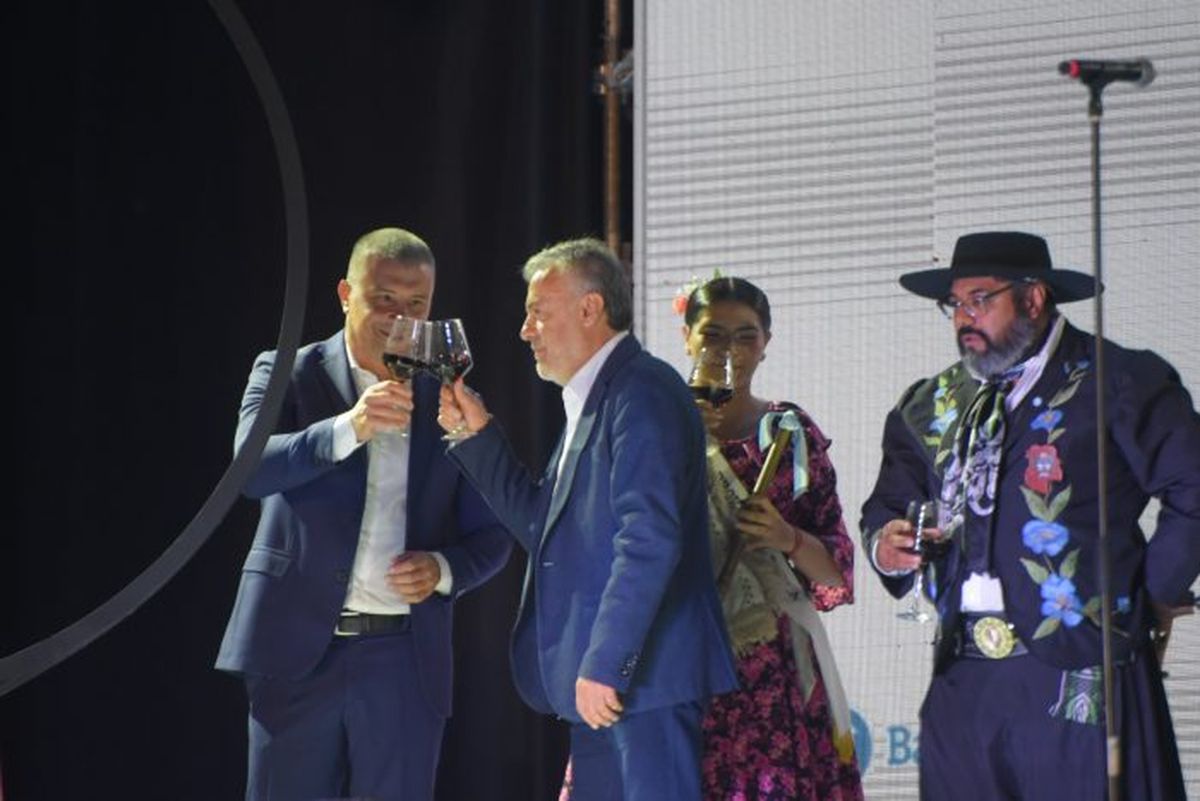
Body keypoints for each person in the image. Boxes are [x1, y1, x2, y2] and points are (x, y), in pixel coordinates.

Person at [860, 231, 1200, 801]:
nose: (963, 318)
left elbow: (1193, 485)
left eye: (980, 300)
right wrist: (885, 545)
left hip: (1078, 665)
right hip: (965, 673)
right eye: (955, 304)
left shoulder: (1115, 380)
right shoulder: (930, 403)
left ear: (1034, 299)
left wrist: (1149, 594)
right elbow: (888, 504)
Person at [437, 237, 739, 801]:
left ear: (589, 308)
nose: (526, 330)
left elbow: (648, 539)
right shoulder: (599, 396)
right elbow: (544, 529)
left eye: (537, 311)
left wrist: (605, 662)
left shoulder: (641, 391)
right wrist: (477, 439)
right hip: (611, 684)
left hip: (639, 679)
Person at [215, 227, 512, 801]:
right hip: (297, 652)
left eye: (416, 305)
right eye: (383, 299)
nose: (399, 318)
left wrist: (443, 570)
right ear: (346, 294)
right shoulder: (287, 372)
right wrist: (350, 425)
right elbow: (249, 471)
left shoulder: (447, 396)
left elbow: (494, 533)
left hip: (402, 659)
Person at [679, 277, 864, 801]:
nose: (729, 351)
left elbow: (836, 573)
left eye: (746, 337)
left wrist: (786, 538)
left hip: (771, 677)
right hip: (679, 660)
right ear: (687, 337)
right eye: (713, 334)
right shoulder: (655, 426)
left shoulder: (787, 433)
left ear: (766, 344)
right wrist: (681, 445)